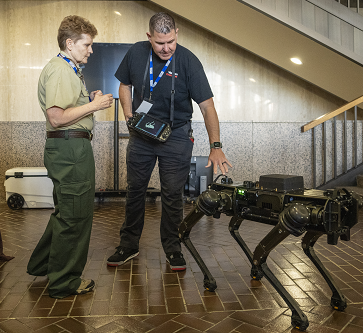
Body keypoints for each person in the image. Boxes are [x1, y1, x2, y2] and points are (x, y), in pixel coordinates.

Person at [107, 12, 231, 271]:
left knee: (173, 195)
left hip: (176, 136)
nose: (166, 48)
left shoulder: (188, 61)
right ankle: (128, 245)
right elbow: (124, 85)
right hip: (142, 133)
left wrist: (216, 146)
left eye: (171, 41)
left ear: (177, 33)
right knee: (135, 191)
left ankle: (173, 247)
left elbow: (207, 107)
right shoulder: (137, 53)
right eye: (160, 43)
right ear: (149, 37)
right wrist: (130, 118)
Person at [27, 15, 113, 298]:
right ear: (70, 43)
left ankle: (45, 264)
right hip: (70, 150)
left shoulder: (68, 68)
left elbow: (65, 109)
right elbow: (57, 117)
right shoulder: (62, 70)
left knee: (68, 211)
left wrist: (88, 102)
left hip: (70, 148)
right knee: (75, 216)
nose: (91, 50)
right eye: (87, 44)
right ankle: (64, 282)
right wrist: (95, 106)